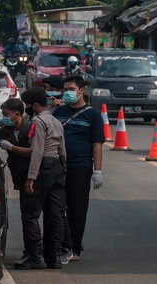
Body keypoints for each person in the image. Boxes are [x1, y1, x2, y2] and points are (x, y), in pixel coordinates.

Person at [51, 74, 105, 262]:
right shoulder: (58, 113)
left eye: (71, 89)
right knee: (57, 208)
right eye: (65, 89)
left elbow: (97, 144)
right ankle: (59, 244)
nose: (67, 93)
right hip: (58, 166)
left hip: (80, 167)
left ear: (81, 91)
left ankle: (75, 247)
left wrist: (97, 171)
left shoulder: (93, 115)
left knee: (77, 208)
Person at [15, 88, 67, 270]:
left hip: (42, 168)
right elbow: (62, 150)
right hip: (57, 168)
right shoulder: (55, 121)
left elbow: (37, 151)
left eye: (27, 105)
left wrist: (31, 178)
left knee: (30, 214)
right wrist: (62, 171)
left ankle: (35, 256)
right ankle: (55, 257)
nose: (27, 108)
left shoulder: (37, 122)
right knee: (55, 215)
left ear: (34, 105)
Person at [0, 99, 33, 264]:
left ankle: (49, 250)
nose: (3, 118)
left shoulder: (31, 128)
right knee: (27, 215)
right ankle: (31, 251)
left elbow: (33, 153)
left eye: (5, 114)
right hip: (20, 177)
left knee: (46, 214)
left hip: (36, 176)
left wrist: (10, 147)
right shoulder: (3, 131)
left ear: (17, 114)